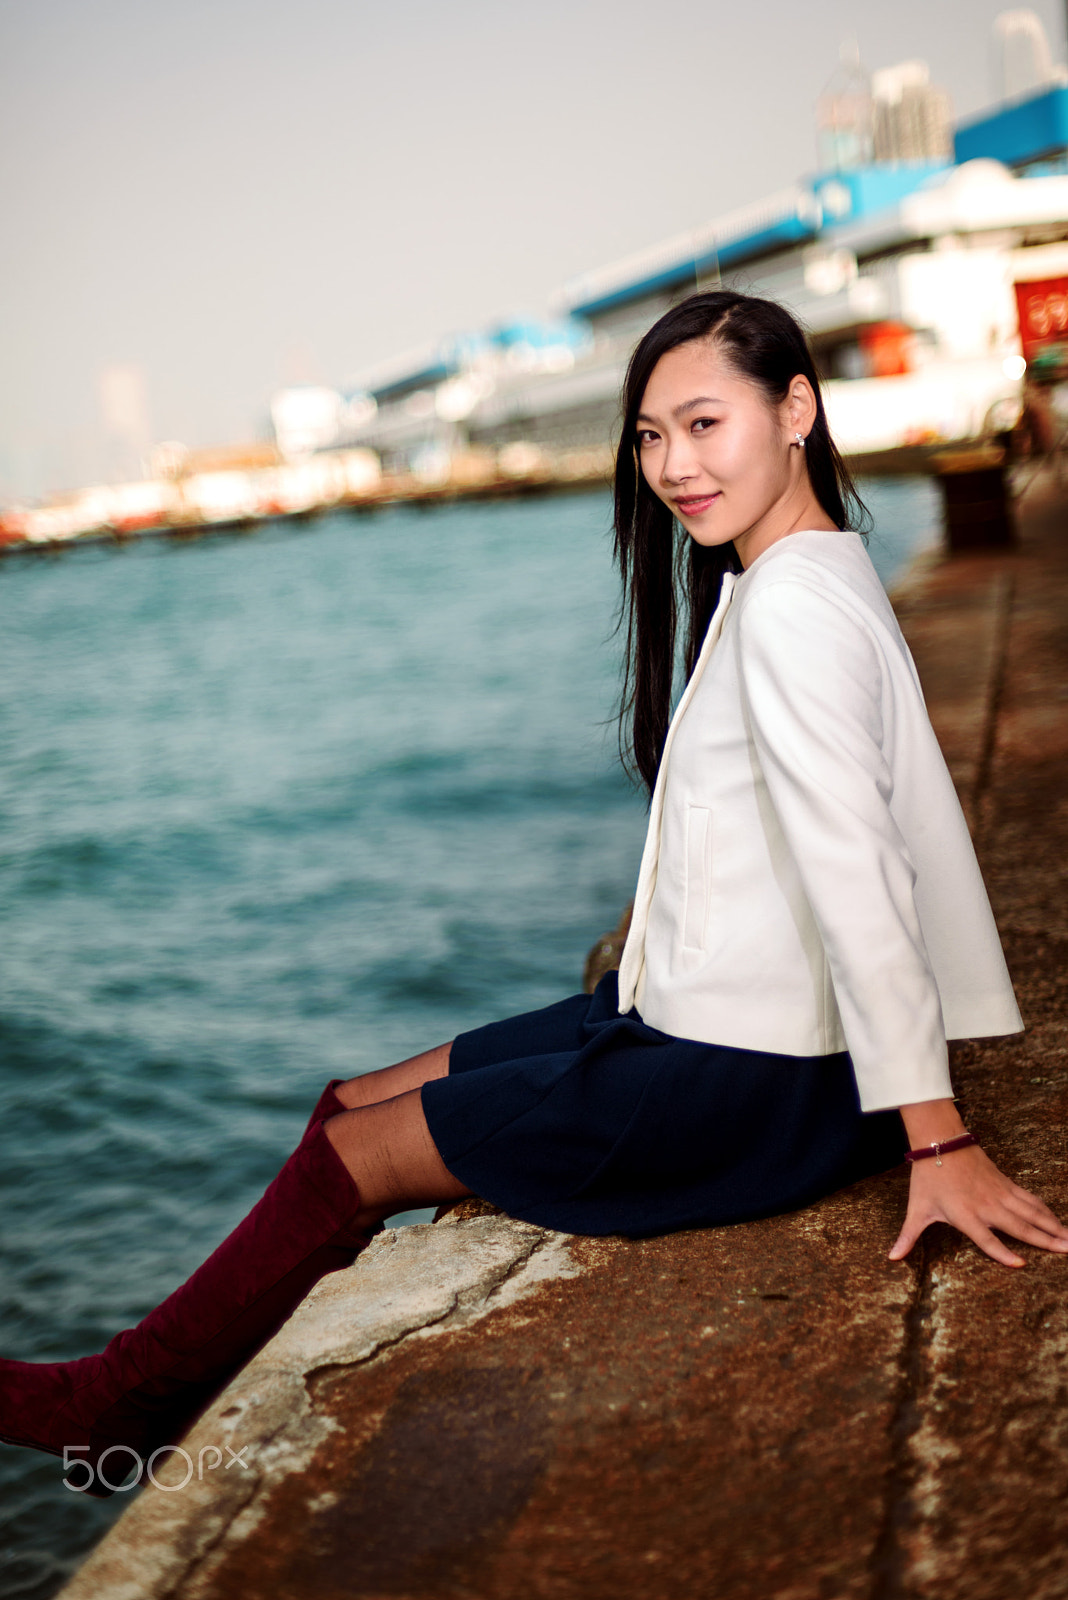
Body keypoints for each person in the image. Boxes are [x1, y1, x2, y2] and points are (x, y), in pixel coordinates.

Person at [3, 291, 1067, 1499]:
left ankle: (109, 1404)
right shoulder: (805, 571)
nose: (674, 467)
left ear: (797, 410)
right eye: (652, 436)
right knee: (346, 1106)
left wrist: (941, 1137)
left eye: (706, 423)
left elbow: (860, 871)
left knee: (355, 1161)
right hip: (706, 1019)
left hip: (755, 1080)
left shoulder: (792, 613)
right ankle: (142, 1397)